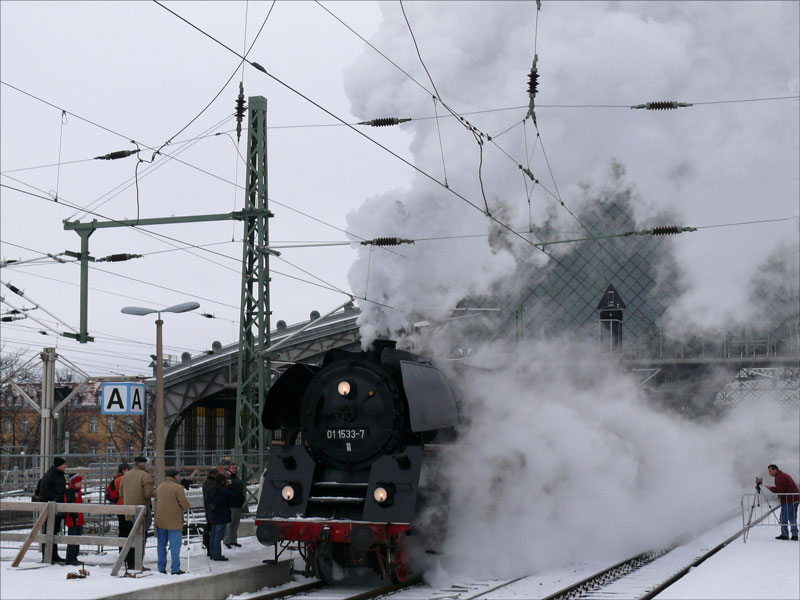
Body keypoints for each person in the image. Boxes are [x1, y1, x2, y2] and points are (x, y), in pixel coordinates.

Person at [118, 456, 155, 569]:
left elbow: (121, 493)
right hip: (141, 512)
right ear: (143, 464)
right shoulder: (145, 476)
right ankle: (138, 563)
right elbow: (148, 494)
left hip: (128, 512)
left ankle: (129, 563)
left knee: (130, 538)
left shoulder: (126, 475)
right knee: (141, 539)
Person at [154, 467, 191, 575]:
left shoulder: (160, 486)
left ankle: (161, 567)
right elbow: (184, 504)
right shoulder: (177, 487)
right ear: (175, 476)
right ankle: (175, 568)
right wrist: (188, 506)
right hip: (174, 522)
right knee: (175, 546)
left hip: (161, 520)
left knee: (161, 545)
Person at [38, 456, 68, 563]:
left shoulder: (58, 475)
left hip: (57, 506)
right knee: (49, 531)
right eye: (64, 464)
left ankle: (54, 555)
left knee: (54, 531)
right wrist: (55, 497)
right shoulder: (50, 476)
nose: (66, 466)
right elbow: (44, 491)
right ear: (59, 465)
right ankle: (47, 555)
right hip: (51, 507)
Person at [207, 472, 236, 561]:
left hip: (213, 514)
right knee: (218, 536)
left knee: (213, 534)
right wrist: (230, 486)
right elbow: (232, 496)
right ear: (222, 481)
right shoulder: (222, 491)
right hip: (221, 515)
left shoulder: (211, 489)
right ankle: (216, 554)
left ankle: (212, 553)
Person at [766, 464, 799, 541]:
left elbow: (780, 490)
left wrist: (770, 488)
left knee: (783, 518)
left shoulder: (779, 477)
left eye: (770, 471)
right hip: (795, 499)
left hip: (788, 500)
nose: (769, 473)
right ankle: (794, 535)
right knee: (792, 517)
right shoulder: (783, 475)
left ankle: (784, 534)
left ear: (775, 470)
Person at [63, 475, 85, 566]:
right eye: (79, 482)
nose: (81, 483)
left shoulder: (77, 492)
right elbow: (69, 505)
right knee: (73, 538)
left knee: (77, 538)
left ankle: (74, 557)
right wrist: (74, 516)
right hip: (73, 519)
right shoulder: (71, 492)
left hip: (77, 518)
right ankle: (70, 558)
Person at [224, 462, 245, 549]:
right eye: (232, 468)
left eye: (235, 468)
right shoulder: (227, 479)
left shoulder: (238, 480)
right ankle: (227, 541)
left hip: (238, 504)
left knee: (235, 524)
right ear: (229, 469)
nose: (234, 469)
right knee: (229, 524)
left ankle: (233, 540)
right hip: (231, 504)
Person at [201, 468, 218, 556]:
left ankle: (209, 548)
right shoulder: (213, 484)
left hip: (208, 509)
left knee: (210, 529)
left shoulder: (206, 483)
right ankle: (211, 550)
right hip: (212, 510)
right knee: (213, 531)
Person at [111, 463, 130, 538]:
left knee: (122, 529)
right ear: (124, 470)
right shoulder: (123, 479)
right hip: (124, 505)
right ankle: (126, 548)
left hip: (119, 505)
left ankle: (121, 547)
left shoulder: (116, 479)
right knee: (126, 529)